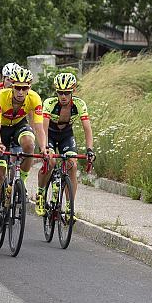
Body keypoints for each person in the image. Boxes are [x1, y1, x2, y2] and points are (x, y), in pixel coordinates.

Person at [0, 67, 45, 242]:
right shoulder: (0, 97)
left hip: (19, 125)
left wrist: (44, 149)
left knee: (29, 143)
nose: (20, 91)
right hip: (1, 130)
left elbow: (39, 127)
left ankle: (22, 183)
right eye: (17, 87)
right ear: (11, 86)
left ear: (29, 87)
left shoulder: (34, 98)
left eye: (24, 88)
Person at [36, 72, 94, 216]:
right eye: (60, 92)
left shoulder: (79, 104)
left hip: (66, 135)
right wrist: (45, 147)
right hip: (49, 133)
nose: (63, 96)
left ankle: (69, 207)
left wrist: (89, 150)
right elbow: (43, 127)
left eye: (67, 93)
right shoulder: (50, 103)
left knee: (72, 165)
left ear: (73, 91)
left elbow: (87, 128)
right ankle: (41, 194)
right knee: (50, 162)